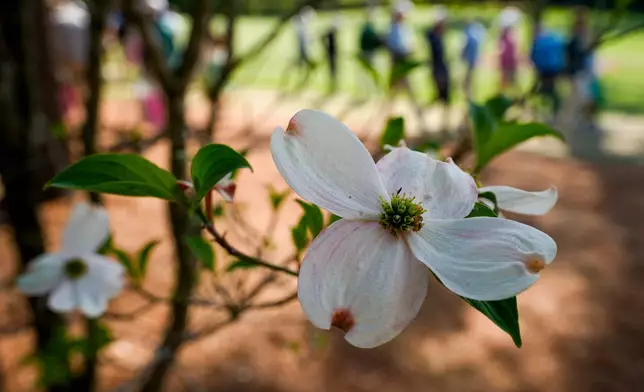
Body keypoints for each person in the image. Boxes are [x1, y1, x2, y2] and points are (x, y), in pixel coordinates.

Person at [425, 6, 451, 134]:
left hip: (441, 70)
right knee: (441, 98)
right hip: (439, 71)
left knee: (443, 99)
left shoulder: (437, 37)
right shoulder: (434, 38)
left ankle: (444, 125)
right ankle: (440, 125)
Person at [531, 22, 566, 116]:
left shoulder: (539, 41)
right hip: (554, 68)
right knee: (552, 88)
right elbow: (561, 54)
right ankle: (555, 107)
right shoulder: (555, 40)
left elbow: (533, 55)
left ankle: (542, 105)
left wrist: (537, 66)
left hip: (543, 68)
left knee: (543, 87)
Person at [461, 17, 486, 100]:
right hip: (472, 59)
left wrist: (462, 56)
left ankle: (470, 96)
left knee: (468, 80)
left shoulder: (470, 34)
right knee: (470, 80)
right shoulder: (474, 33)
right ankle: (470, 95)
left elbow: (466, 46)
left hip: (470, 60)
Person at [498, 7, 520, 94]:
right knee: (507, 80)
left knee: (511, 80)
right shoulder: (507, 38)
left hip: (509, 62)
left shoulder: (509, 38)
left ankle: (513, 95)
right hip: (507, 62)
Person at [323, 15, 341, 92]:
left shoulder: (333, 32)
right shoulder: (330, 32)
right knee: (332, 70)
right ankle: (332, 86)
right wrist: (326, 48)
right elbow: (323, 38)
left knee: (334, 70)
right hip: (331, 54)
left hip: (333, 53)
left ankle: (334, 86)